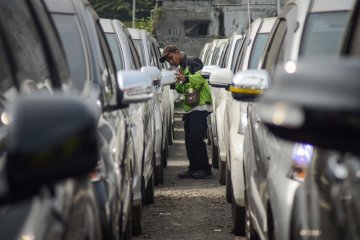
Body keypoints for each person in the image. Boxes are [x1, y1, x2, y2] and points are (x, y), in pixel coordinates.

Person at [159, 45, 213, 179]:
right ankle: (193, 168)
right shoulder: (181, 68)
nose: (171, 62)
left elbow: (200, 78)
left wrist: (185, 79)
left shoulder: (193, 61)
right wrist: (176, 82)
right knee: (189, 140)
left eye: (171, 58)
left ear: (177, 52)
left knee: (196, 138)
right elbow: (182, 89)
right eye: (168, 61)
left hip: (200, 106)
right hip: (191, 108)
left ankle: (204, 169)